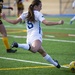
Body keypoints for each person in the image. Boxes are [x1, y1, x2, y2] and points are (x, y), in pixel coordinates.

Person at [1, 0, 64, 68]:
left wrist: (5, 18)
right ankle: (18, 45)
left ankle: (55, 64)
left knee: (43, 52)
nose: (41, 8)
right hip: (36, 36)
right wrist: (58, 22)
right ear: (36, 6)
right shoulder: (37, 13)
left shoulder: (25, 13)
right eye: (40, 6)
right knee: (34, 50)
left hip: (29, 38)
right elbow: (46, 23)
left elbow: (14, 22)